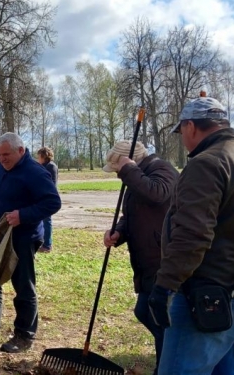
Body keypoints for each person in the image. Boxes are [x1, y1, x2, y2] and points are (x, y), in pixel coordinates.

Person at [147, 96, 234, 375]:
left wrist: (165, 286)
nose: (183, 138)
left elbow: (193, 233)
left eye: (182, 131)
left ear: (190, 126)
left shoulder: (207, 164)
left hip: (204, 293)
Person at [0, 132, 61, 353]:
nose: (2, 159)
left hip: (22, 239)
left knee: (23, 287)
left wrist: (23, 215)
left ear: (21, 151)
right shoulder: (1, 169)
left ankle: (24, 335)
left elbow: (52, 202)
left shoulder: (35, 172)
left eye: (6, 154)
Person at [102, 140, 178, 375]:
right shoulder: (136, 176)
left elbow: (157, 194)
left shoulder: (162, 170)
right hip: (145, 262)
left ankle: (165, 366)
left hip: (163, 259)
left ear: (128, 161)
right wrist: (119, 231)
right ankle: (168, 358)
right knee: (144, 312)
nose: (117, 175)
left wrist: (128, 170)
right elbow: (132, 214)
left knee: (159, 319)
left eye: (117, 169)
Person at [36, 147, 58, 253]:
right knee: (42, 221)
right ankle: (43, 242)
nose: (37, 159)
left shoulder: (50, 166)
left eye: (39, 156)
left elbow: (51, 183)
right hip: (42, 196)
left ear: (43, 156)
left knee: (46, 221)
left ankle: (47, 245)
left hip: (47, 198)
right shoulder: (44, 166)